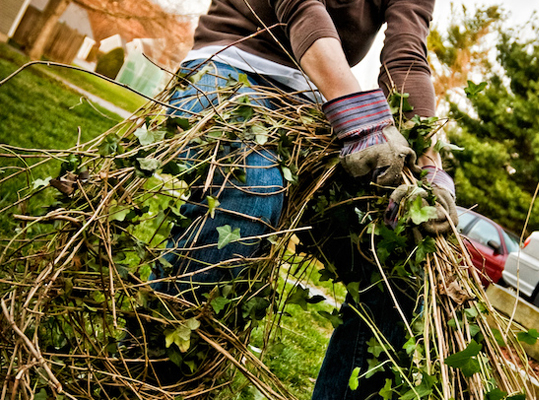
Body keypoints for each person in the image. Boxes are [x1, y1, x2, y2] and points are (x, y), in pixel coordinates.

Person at [157, 0, 457, 398]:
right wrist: (361, 119)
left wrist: (428, 169)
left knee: (399, 254)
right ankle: (155, 373)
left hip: (310, 102)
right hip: (227, 67)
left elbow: (406, 57)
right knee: (251, 192)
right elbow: (300, 8)